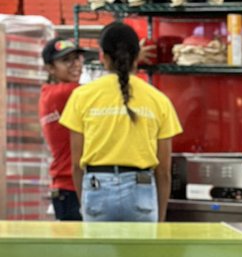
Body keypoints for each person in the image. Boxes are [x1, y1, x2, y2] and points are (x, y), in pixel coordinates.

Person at [60, 22, 180, 222]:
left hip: (97, 188)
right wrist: (159, 219)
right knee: (141, 255)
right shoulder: (159, 100)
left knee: (102, 254)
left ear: (104, 57)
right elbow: (164, 171)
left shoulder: (82, 96)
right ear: (137, 55)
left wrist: (86, 204)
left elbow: (75, 165)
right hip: (141, 191)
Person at [39, 38, 86, 221]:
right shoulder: (65, 93)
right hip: (71, 187)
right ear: (50, 68)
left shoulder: (49, 93)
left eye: (77, 58)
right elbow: (104, 91)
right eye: (66, 60)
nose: (75, 65)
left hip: (66, 187)